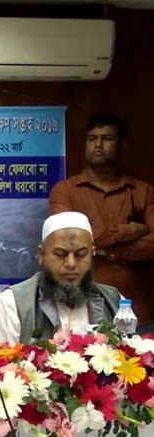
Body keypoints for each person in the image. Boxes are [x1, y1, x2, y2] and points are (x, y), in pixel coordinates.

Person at [49, 112, 154, 324]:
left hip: (138, 308)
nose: (98, 144)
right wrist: (130, 232)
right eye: (92, 138)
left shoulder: (144, 191)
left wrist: (111, 251)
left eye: (106, 138)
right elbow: (69, 240)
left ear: (123, 144)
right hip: (82, 308)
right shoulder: (65, 191)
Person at [0, 211, 121, 346]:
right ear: (42, 254)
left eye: (81, 254)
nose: (71, 264)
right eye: (61, 254)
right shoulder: (12, 303)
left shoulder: (114, 300)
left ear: (92, 254)